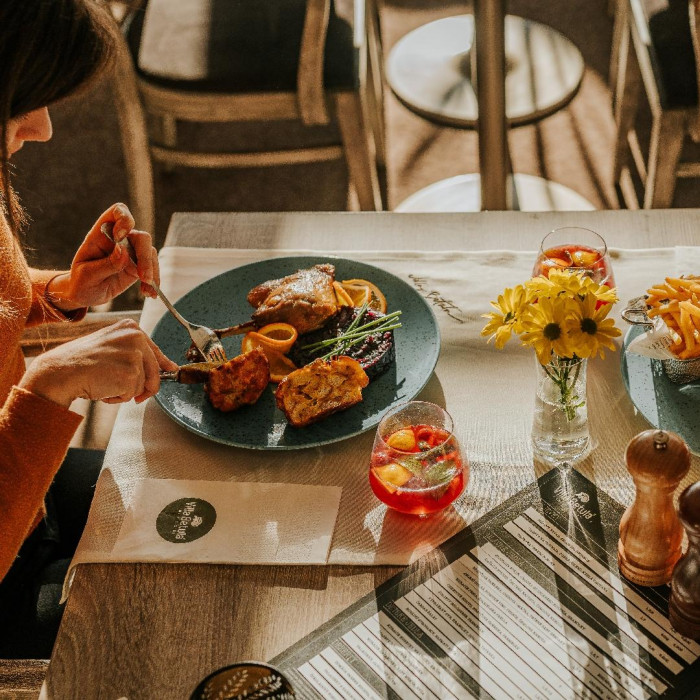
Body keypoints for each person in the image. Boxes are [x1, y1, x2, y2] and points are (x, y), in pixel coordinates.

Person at [0, 0, 178, 657]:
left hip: (33, 495)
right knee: (161, 635)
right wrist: (49, 385)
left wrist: (62, 295)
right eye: (20, 102)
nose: (42, 128)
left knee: (197, 504)